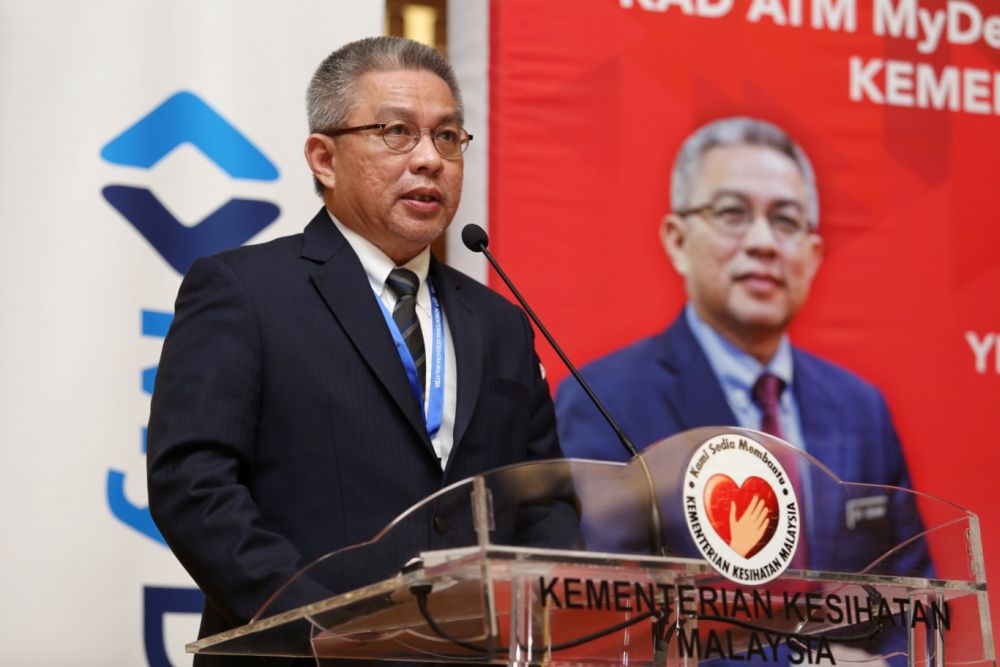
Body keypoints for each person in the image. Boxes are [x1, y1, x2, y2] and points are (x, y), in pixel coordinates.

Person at [147, 36, 577, 666]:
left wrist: (541, 617)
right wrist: (333, 630)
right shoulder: (244, 291)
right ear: (323, 157)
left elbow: (545, 499)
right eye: (397, 132)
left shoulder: (500, 323)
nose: (429, 159)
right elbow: (194, 487)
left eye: (449, 138)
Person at [555, 117, 930, 662]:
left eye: (786, 221)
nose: (762, 243)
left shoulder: (859, 407)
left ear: (814, 253)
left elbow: (912, 591)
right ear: (678, 241)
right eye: (732, 214)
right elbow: (605, 613)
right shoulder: (603, 400)